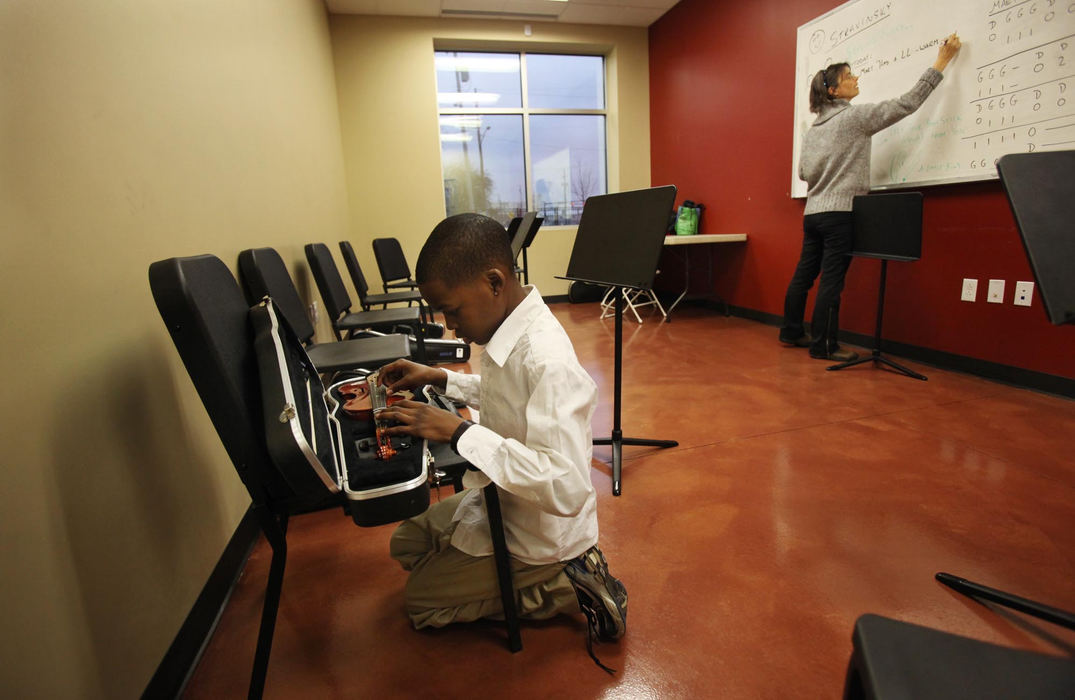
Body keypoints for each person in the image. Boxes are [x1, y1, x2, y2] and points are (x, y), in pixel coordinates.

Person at [375, 212, 627, 671]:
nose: (450, 327)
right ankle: (496, 575)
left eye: (452, 310)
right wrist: (442, 379)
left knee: (421, 604)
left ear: (493, 282)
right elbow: (506, 399)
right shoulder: (506, 327)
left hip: (543, 530)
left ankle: (566, 587)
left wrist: (457, 431)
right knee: (406, 545)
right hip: (505, 496)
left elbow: (567, 487)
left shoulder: (546, 358)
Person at [780, 33, 962, 361]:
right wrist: (941, 63)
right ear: (833, 91)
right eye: (848, 76)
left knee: (805, 274)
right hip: (840, 213)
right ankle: (823, 346)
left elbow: (804, 174)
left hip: (813, 214)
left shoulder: (813, 132)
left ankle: (791, 331)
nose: (855, 78)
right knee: (832, 281)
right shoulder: (854, 117)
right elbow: (907, 103)